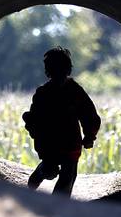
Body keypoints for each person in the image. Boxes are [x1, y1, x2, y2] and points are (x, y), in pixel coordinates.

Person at [22, 47, 101, 197]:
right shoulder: (42, 93)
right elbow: (34, 119)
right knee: (49, 171)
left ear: (67, 70)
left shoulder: (75, 91)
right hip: (49, 144)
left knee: (67, 178)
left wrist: (90, 136)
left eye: (60, 69)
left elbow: (88, 114)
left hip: (70, 144)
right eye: (53, 69)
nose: (57, 73)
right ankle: (36, 178)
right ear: (48, 71)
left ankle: (56, 208)